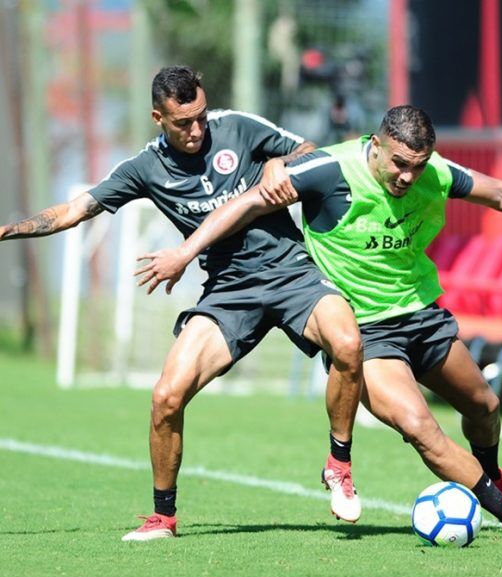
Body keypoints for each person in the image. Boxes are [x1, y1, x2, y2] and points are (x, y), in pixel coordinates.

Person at [136, 105, 502, 546]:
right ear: (375, 144)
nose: (407, 176)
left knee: (485, 406)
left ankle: (490, 471)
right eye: (399, 163)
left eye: (417, 167)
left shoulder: (435, 173)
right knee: (419, 426)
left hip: (421, 314)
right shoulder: (329, 170)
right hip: (366, 331)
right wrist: (185, 252)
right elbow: (248, 204)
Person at [0, 65, 365, 541]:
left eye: (201, 116)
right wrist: (10, 230)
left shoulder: (238, 126)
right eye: (182, 123)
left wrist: (282, 163)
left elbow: (309, 150)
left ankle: (338, 464)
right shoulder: (143, 169)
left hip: (290, 272)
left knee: (348, 343)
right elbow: (74, 210)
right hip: (230, 294)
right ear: (158, 117)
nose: (197, 131)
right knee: (166, 397)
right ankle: (163, 518)